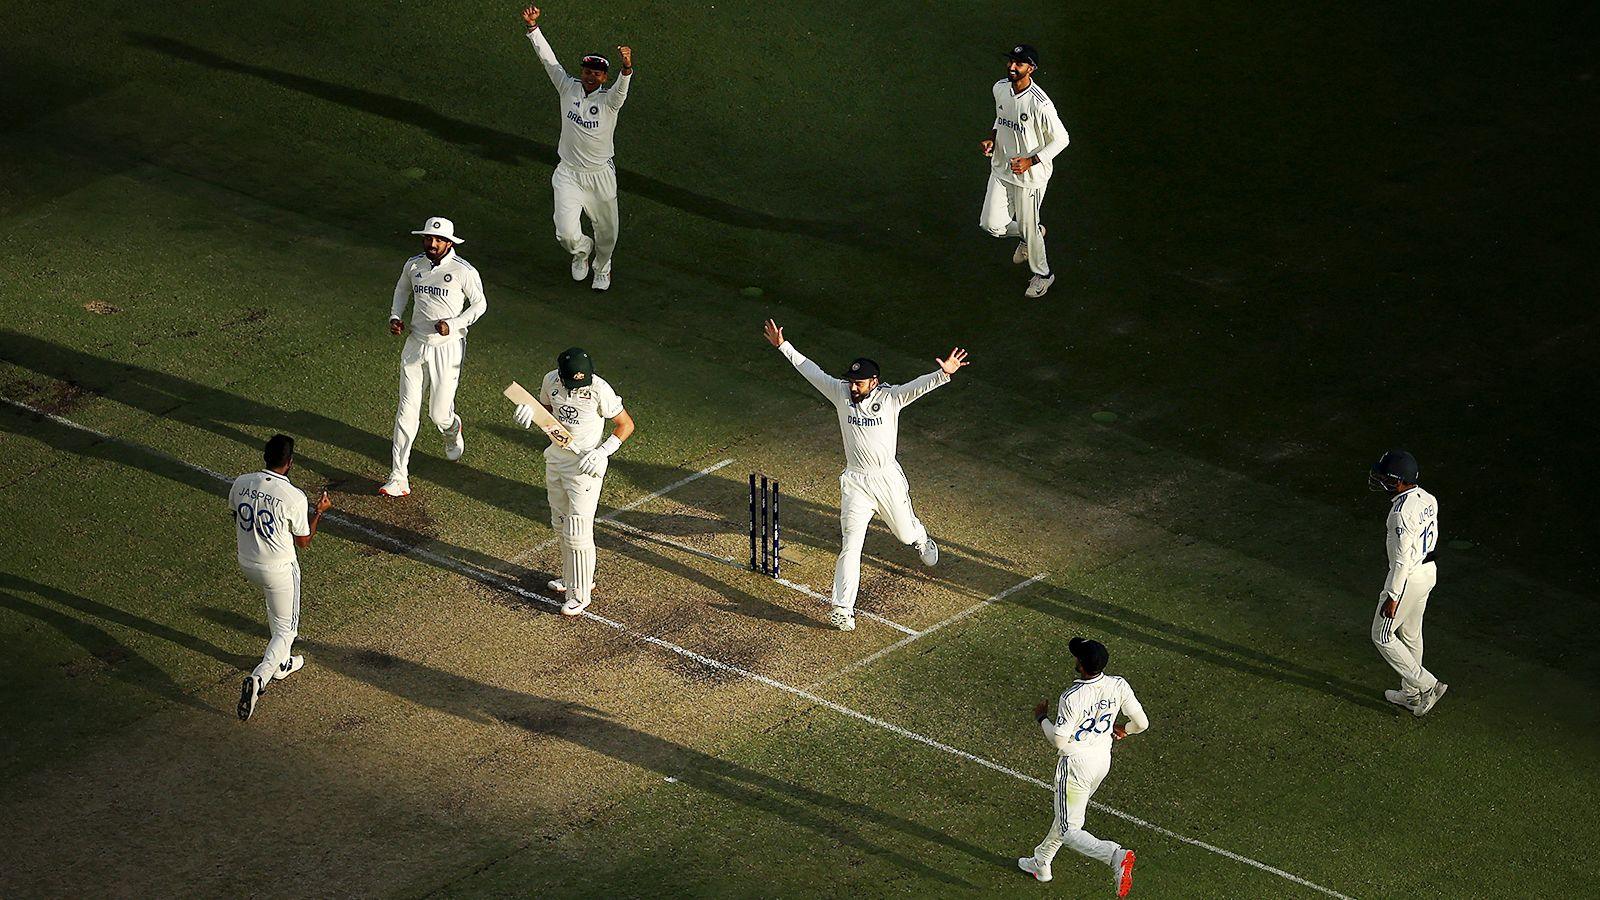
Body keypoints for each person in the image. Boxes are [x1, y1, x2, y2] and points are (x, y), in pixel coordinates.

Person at [763, 318, 967, 631]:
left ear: (874, 381)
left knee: (905, 535)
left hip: (886, 480)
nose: (852, 386)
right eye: (851, 381)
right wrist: (783, 347)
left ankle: (921, 537)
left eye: (859, 382)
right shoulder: (840, 392)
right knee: (851, 545)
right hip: (856, 482)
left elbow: (919, 386)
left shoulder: (891, 398)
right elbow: (811, 371)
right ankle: (842, 608)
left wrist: (943, 373)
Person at [514, 347, 635, 615]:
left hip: (584, 467)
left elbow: (625, 424)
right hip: (556, 460)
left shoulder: (600, 389)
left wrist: (603, 452)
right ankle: (573, 580)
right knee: (560, 524)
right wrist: (528, 412)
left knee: (578, 530)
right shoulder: (551, 381)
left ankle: (580, 594)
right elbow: (546, 414)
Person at [521, 5, 634, 292]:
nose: (589, 77)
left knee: (608, 234)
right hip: (568, 172)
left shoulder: (609, 100)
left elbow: (622, 90)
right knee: (566, 234)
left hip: (599, 175)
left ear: (604, 78)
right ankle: (582, 253)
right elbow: (550, 62)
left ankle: (602, 266)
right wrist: (533, 29)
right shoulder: (567, 87)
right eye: (586, 71)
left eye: (596, 74)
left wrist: (627, 69)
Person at [1020, 638, 1144, 896]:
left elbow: (1058, 740)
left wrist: (1042, 718)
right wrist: (1125, 729)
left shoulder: (1072, 696)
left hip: (1076, 768)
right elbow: (1141, 723)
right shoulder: (1118, 685)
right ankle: (1042, 861)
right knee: (1067, 815)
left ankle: (1115, 855)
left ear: (1080, 665)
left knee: (1068, 829)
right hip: (1101, 762)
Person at [381, 216, 488, 497]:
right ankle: (398, 476)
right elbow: (402, 290)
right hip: (415, 344)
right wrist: (395, 316)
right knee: (406, 410)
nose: (432, 243)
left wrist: (453, 324)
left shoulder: (464, 271)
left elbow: (480, 304)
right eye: (428, 238)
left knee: (438, 413)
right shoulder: (413, 264)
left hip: (448, 347)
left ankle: (452, 429)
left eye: (438, 239)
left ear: (449, 242)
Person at [229, 434, 331, 721]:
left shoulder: (241, 482)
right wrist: (320, 512)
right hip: (279, 570)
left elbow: (233, 515)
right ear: (290, 462)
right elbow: (304, 541)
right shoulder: (294, 497)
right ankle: (260, 678)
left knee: (278, 616)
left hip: (247, 563)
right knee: (286, 631)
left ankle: (283, 663)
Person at [979, 43, 1069, 299]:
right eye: (1011, 62)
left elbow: (1062, 139)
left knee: (1029, 228)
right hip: (1000, 168)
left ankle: (1043, 275)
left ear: (1032, 68)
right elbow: (1001, 117)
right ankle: (1032, 234)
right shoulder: (1000, 89)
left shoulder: (1040, 105)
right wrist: (992, 139)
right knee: (990, 225)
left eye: (1019, 63)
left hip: (1030, 178)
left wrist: (1032, 161)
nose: (1012, 67)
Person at [1368, 450, 1448, 715]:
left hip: (1408, 579)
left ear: (1397, 480)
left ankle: (1426, 685)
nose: (1379, 479)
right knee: (1411, 634)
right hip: (1428, 572)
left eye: (1384, 476)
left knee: (1382, 635)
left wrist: (1392, 595)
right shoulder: (1427, 497)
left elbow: (1401, 562)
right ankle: (1411, 695)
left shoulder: (1400, 514)